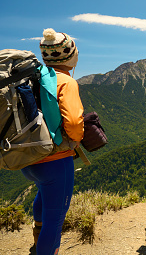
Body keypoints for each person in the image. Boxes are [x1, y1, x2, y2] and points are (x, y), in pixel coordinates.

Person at [21, 28, 84, 255]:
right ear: (71, 56)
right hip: (56, 161)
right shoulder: (65, 81)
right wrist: (75, 140)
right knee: (55, 221)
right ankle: (44, 245)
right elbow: (75, 122)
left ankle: (37, 238)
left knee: (42, 193)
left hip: (28, 156)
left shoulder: (33, 78)